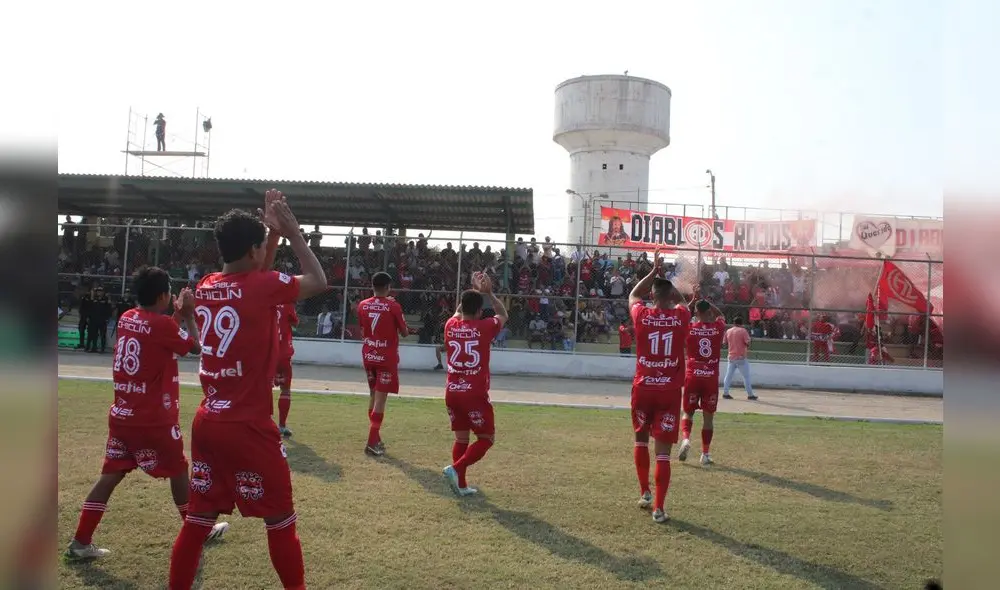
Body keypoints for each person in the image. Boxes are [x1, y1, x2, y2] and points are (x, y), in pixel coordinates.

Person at [168, 191, 328, 590]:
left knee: (197, 522)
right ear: (254, 250)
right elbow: (318, 281)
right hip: (250, 426)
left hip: (209, 421)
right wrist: (291, 233)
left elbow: (252, 280)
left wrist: (268, 238)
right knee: (280, 521)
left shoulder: (205, 286)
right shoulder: (262, 286)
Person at [65, 266, 228, 560]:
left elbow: (160, 335)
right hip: (152, 418)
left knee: (109, 477)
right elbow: (197, 348)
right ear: (165, 295)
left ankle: (80, 541)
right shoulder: (162, 326)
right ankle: (198, 532)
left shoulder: (129, 318)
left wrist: (175, 316)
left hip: (123, 414)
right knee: (179, 471)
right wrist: (189, 314)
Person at [627, 250, 690, 524]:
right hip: (668, 391)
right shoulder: (680, 316)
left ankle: (644, 493)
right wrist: (669, 284)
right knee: (662, 453)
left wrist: (653, 272)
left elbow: (632, 295)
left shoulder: (641, 315)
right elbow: (686, 302)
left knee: (641, 439)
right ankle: (660, 509)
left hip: (643, 387)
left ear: (652, 297)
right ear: (671, 297)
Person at [442, 272, 509, 497]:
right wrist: (488, 293)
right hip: (474, 393)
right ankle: (456, 469)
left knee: (461, 438)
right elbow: (503, 314)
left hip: (452, 391)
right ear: (480, 311)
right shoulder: (484, 327)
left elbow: (458, 311)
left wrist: (472, 292)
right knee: (486, 438)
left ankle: (460, 485)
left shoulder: (450, 325)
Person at [357, 272, 409, 457]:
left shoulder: (362, 305)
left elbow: (363, 330)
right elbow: (404, 332)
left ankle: (376, 437)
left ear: (372, 286)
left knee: (372, 395)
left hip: (369, 355)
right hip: (385, 358)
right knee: (380, 400)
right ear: (388, 287)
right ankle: (372, 441)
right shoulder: (393, 306)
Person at [678, 298, 726, 466]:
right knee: (708, 417)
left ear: (696, 314)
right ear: (709, 312)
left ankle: (685, 439)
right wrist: (706, 301)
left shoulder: (689, 328)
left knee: (688, 412)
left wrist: (693, 302)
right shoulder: (717, 328)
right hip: (710, 377)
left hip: (693, 375)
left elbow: (682, 315)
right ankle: (705, 454)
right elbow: (721, 316)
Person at [275, 303, 299, 437]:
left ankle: (263, 424)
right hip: (284, 353)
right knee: (285, 390)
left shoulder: (264, 301)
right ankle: (282, 425)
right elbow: (296, 323)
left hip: (267, 352)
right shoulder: (287, 304)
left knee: (263, 389)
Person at [722, 317, 757, 400]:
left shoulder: (728, 331)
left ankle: (725, 393)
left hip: (731, 356)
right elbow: (748, 342)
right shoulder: (743, 331)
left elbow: (724, 343)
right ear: (741, 323)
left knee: (728, 376)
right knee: (746, 377)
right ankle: (750, 394)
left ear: (734, 323)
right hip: (741, 357)